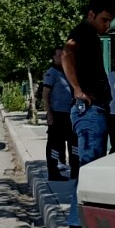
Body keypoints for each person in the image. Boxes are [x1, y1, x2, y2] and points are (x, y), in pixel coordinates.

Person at [61, 0, 115, 228]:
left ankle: (84, 223)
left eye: (110, 21)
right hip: (90, 110)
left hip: (94, 110)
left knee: (90, 168)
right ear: (91, 14)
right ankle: (76, 226)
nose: (107, 25)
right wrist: (77, 90)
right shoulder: (83, 32)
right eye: (104, 19)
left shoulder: (91, 36)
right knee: (88, 169)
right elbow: (67, 54)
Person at [42, 47, 78, 181]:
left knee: (74, 142)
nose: (62, 57)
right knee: (55, 143)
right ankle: (53, 171)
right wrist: (49, 113)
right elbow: (45, 95)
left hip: (69, 113)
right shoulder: (51, 73)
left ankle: (75, 169)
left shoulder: (67, 72)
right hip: (57, 114)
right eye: (59, 55)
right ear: (54, 58)